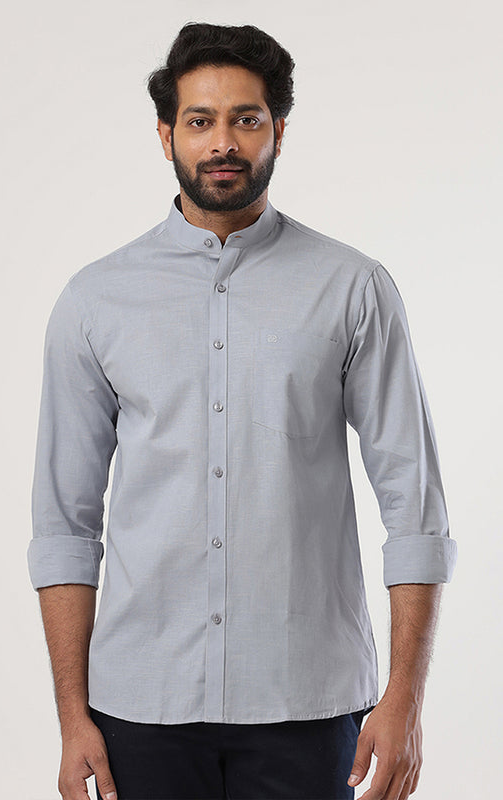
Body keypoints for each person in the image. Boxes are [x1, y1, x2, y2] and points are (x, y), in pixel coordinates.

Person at [27, 21, 458, 800]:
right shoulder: (95, 302)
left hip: (309, 704)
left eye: (245, 119)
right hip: (139, 706)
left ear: (278, 132)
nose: (222, 142)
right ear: (166, 135)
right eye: (200, 120)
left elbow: (415, 508)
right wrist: (71, 717)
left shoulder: (352, 288)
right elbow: (65, 525)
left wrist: (405, 699)